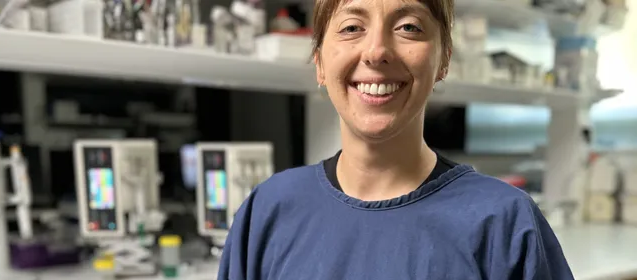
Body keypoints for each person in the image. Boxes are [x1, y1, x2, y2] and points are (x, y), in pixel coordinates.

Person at [217, 0, 575, 278]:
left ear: (443, 58)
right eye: (352, 27)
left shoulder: (504, 223)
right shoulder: (269, 210)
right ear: (320, 61)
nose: (376, 51)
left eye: (408, 27)